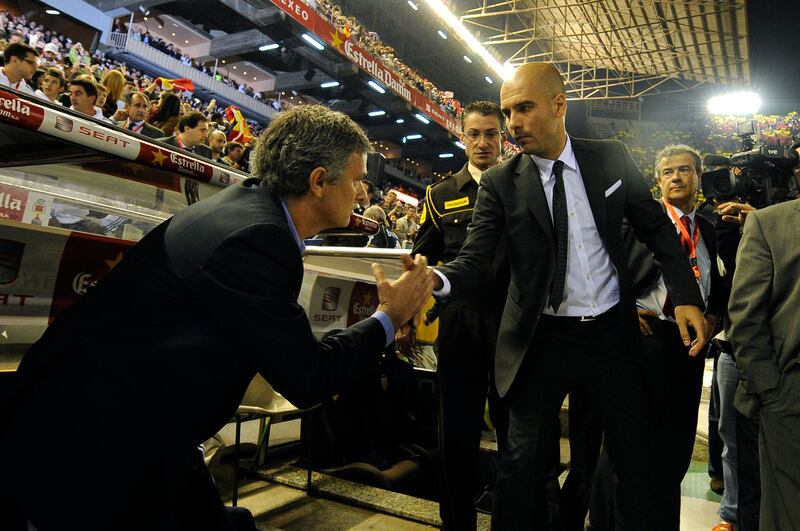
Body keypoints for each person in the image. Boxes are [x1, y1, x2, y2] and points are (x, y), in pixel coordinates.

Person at [0, 104, 434, 531]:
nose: (363, 194)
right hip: (89, 441)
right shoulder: (258, 238)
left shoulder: (251, 211)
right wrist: (390, 315)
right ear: (319, 181)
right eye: (358, 180)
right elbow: (308, 377)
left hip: (139, 426)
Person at [431, 63, 708, 529]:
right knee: (519, 465)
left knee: (633, 461)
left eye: (524, 108)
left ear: (559, 105)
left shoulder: (611, 158)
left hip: (611, 338)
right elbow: (476, 261)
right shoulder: (501, 183)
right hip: (542, 339)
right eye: (507, 111)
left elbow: (658, 230)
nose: (513, 123)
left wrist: (684, 296)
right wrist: (436, 281)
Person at [586, 145, 728, 531]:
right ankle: (603, 523)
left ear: (698, 177)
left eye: (684, 170)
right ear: (657, 180)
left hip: (687, 349)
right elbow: (600, 269)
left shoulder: (710, 230)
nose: (677, 177)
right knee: (623, 447)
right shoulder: (635, 222)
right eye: (668, 172)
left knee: (674, 450)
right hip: (643, 338)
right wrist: (625, 310)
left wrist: (713, 313)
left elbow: (717, 281)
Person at [412, 100, 512, 531]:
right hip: (459, 322)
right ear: (462, 136)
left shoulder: (521, 185)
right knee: (456, 430)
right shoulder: (439, 195)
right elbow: (422, 257)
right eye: (474, 133)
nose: (483, 142)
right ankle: (457, 523)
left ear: (502, 137)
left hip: (512, 321)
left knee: (515, 431)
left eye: (491, 133)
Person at [728, 183, 800, 530]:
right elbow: (745, 314)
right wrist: (769, 390)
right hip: (790, 390)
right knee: (788, 511)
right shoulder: (770, 223)